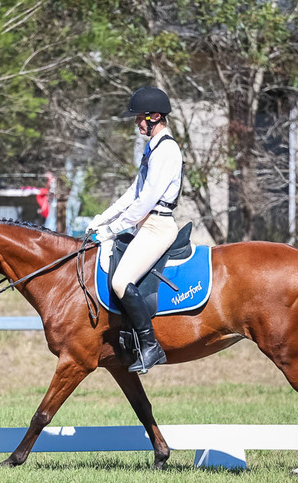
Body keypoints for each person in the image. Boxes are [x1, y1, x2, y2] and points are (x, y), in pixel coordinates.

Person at [86, 87, 183, 374]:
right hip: (146, 223)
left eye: (140, 117)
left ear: (155, 117)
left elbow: (146, 200)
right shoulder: (152, 147)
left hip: (158, 225)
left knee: (120, 281)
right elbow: (134, 192)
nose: (137, 123)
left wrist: (113, 229)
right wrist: (102, 219)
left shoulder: (167, 149)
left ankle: (150, 345)